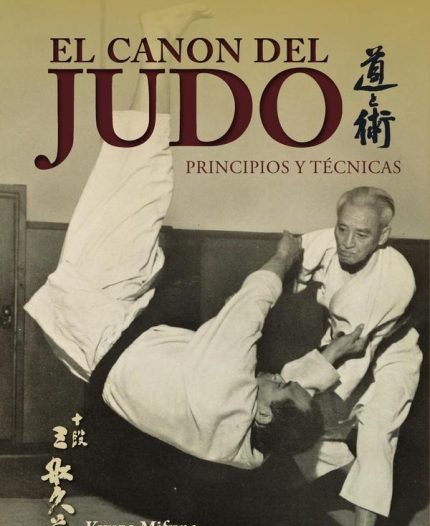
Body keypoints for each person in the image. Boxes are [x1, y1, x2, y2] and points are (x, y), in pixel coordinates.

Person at [24, 6, 367, 471]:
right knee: (139, 175)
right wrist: (332, 355)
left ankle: (156, 35)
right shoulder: (243, 451)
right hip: (97, 346)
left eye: (281, 386)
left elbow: (253, 303)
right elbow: (290, 399)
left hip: (96, 308)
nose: (276, 376)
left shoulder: (226, 381)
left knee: (141, 170)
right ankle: (156, 40)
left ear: (263, 412)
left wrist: (283, 258)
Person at [285, 186, 423, 526]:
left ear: (383, 235)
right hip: (339, 348)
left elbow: (357, 356)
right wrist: (285, 265)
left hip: (390, 357)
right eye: (342, 228)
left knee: (376, 435)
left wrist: (305, 389)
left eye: (362, 234)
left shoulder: (392, 280)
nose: (347, 242)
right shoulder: (332, 243)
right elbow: (294, 246)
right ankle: (359, 475)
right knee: (300, 428)